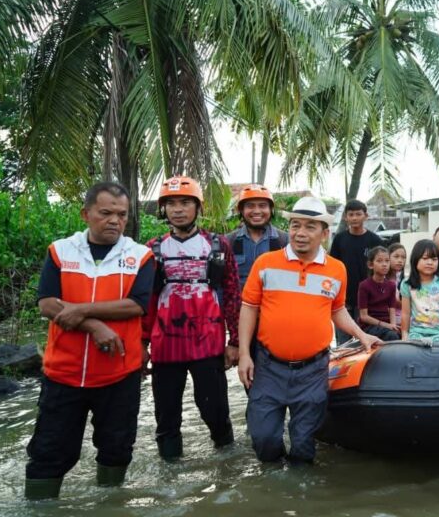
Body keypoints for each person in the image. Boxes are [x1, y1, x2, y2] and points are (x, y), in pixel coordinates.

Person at [26, 182, 155, 500]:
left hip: (118, 375)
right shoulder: (60, 252)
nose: (115, 220)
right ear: (86, 214)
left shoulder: (141, 257)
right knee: (48, 451)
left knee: (116, 448)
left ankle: (108, 505)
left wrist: (80, 311)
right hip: (63, 374)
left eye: (122, 215)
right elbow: (47, 303)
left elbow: (136, 305)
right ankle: (40, 507)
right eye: (106, 212)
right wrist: (95, 326)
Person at [237, 196, 381, 463]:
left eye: (309, 227)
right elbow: (249, 308)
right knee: (264, 440)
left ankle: (299, 495)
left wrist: (361, 335)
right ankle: (273, 491)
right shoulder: (266, 263)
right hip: (269, 366)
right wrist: (245, 354)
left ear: (324, 233)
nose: (300, 233)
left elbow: (337, 310)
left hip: (313, 370)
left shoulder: (337, 270)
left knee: (304, 445)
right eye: (295, 225)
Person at [143, 176, 240, 460]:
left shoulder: (218, 245)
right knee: (166, 419)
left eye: (185, 202)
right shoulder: (152, 249)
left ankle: (228, 472)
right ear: (163, 210)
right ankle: (169, 478)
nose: (178, 209)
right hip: (165, 347)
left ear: (198, 207)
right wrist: (141, 343)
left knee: (216, 413)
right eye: (171, 204)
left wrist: (233, 341)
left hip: (207, 344)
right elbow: (146, 301)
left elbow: (233, 294)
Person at [329, 199, 384, 344]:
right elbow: (332, 266)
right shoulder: (340, 239)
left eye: (358, 214)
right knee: (343, 342)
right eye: (351, 214)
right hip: (343, 299)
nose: (354, 218)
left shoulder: (375, 240)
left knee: (364, 340)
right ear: (345, 217)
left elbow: (383, 268)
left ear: (366, 216)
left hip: (367, 300)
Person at [226, 184, 288, 290]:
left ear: (271, 210)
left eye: (262, 205)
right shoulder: (228, 241)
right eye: (250, 206)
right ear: (241, 210)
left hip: (273, 305)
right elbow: (221, 283)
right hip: (240, 306)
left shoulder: (285, 241)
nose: (257, 211)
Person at [400, 240, 439, 340]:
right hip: (416, 334)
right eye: (425, 258)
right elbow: (405, 314)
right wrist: (404, 335)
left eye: (434, 259)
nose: (430, 262)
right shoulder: (407, 284)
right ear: (415, 260)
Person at [357, 246, 401, 341]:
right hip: (369, 326)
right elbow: (363, 316)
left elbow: (392, 308)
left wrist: (393, 325)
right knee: (391, 336)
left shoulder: (391, 285)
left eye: (387, 261)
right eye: (380, 261)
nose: (384, 264)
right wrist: (387, 325)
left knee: (401, 333)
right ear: (370, 265)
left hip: (387, 325)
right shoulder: (364, 286)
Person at [387, 243, 407, 324]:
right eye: (396, 256)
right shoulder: (381, 279)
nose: (400, 260)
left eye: (403, 257)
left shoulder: (404, 279)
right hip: (386, 319)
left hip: (403, 317)